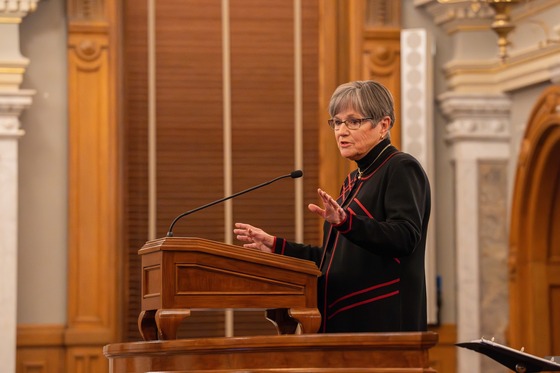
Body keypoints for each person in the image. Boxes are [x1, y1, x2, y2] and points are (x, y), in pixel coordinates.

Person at [234, 80, 431, 333]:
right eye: (337, 122)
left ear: (384, 125)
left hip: (383, 325)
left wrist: (346, 222)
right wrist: (277, 246)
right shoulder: (353, 181)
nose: (341, 131)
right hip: (344, 323)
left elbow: (405, 237)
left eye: (353, 121)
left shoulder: (400, 168)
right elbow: (334, 260)